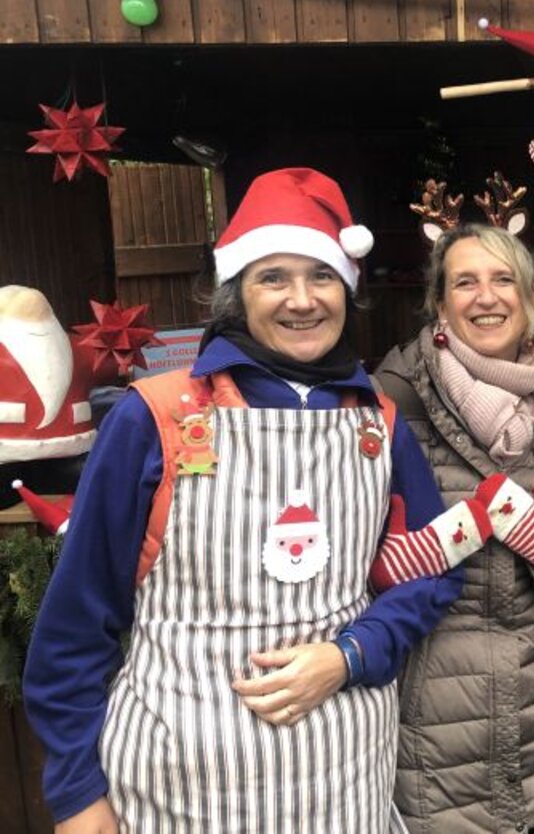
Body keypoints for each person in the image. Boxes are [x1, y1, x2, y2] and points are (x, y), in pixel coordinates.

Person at [23, 168, 462, 832]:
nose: (301, 300)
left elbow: (434, 567)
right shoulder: (154, 418)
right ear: (236, 294)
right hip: (177, 791)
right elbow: (76, 623)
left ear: (347, 288)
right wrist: (77, 793)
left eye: (321, 276)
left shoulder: (379, 424)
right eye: (273, 278)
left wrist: (353, 653)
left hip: (343, 782)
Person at [374, 184, 534, 834]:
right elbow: (350, 563)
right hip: (427, 734)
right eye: (465, 283)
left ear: (530, 297)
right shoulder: (392, 401)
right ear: (440, 304)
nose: (486, 297)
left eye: (503, 280)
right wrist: (443, 540)